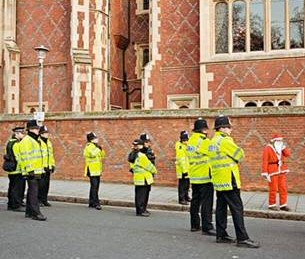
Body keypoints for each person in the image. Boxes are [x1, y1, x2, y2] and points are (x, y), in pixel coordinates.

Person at [209, 115, 259, 248]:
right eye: (229, 127)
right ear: (223, 128)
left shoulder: (213, 141)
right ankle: (242, 238)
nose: (230, 130)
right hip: (229, 179)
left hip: (219, 179)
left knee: (221, 207)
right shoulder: (225, 141)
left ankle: (221, 235)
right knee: (237, 208)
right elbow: (240, 155)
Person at [187, 118, 215, 235]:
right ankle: (207, 226)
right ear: (204, 130)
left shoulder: (191, 141)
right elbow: (213, 152)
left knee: (195, 201)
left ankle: (194, 225)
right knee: (206, 202)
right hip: (205, 175)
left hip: (194, 175)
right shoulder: (204, 141)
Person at [19, 120, 47, 221]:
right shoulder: (27, 140)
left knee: (32, 191)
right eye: (36, 128)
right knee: (34, 192)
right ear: (30, 130)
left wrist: (42, 170)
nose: (38, 130)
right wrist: (29, 170)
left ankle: (29, 212)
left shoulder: (35, 139)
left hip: (37, 171)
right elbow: (25, 157)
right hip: (31, 171)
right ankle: (36, 213)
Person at [262, 134, 291, 211]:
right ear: (274, 141)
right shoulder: (268, 148)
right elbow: (265, 161)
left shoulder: (281, 148)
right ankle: (272, 204)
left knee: (283, 188)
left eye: (280, 140)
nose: (279, 142)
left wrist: (284, 148)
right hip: (272, 171)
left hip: (281, 170)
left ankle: (283, 205)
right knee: (273, 188)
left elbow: (288, 154)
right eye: (278, 140)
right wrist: (265, 172)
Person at [128, 139, 157, 217]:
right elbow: (149, 166)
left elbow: (132, 166)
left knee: (139, 195)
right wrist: (155, 171)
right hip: (144, 178)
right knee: (143, 195)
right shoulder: (141, 155)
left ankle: (140, 210)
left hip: (138, 178)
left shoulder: (133, 154)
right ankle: (141, 210)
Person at [4, 126, 26, 212]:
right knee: (17, 188)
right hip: (17, 169)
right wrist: (23, 169)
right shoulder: (16, 144)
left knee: (12, 187)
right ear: (17, 134)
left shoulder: (10, 142)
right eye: (22, 133)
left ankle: (11, 204)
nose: (23, 135)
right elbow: (19, 158)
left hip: (12, 169)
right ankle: (16, 205)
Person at [83, 132, 106, 210]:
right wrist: (98, 149)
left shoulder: (96, 146)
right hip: (91, 169)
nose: (97, 139)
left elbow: (103, 156)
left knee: (95, 186)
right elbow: (92, 154)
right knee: (94, 187)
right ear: (91, 140)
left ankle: (91, 202)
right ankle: (96, 203)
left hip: (97, 170)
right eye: (95, 138)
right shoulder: (89, 146)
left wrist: (100, 149)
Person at [38, 125, 55, 207]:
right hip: (41, 167)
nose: (47, 134)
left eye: (47, 133)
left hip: (48, 167)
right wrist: (41, 166)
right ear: (41, 134)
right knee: (40, 185)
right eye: (45, 133)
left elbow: (51, 155)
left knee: (46, 185)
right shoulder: (38, 142)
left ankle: (44, 199)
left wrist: (52, 165)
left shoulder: (48, 142)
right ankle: (39, 200)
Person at [175, 130, 191, 205]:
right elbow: (181, 159)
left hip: (187, 168)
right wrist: (184, 170)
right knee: (182, 185)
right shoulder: (180, 146)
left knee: (187, 184)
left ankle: (186, 196)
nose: (187, 141)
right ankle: (181, 199)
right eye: (186, 140)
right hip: (182, 170)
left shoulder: (186, 145)